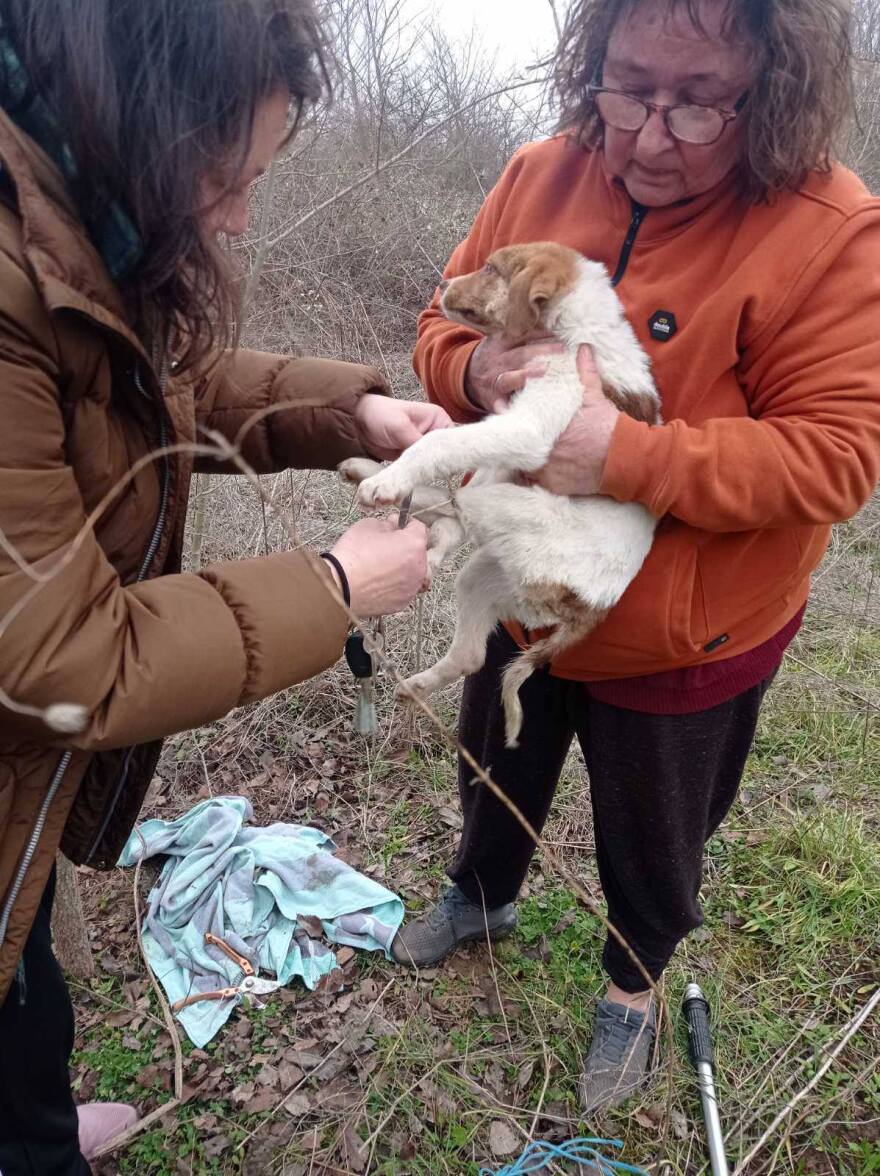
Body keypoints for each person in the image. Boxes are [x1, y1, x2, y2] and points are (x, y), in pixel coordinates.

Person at [393, 0, 880, 1114]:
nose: (650, 134)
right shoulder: (539, 173)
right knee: (496, 759)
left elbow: (834, 458)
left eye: (699, 103)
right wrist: (476, 378)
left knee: (655, 832)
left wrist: (625, 453)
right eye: (626, 88)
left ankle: (634, 980)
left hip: (684, 631)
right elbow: (442, 320)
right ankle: (481, 892)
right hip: (523, 582)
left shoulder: (832, 229)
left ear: (770, 93)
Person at [0, 0, 452, 1170]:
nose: (242, 214)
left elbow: (138, 387)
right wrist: (337, 586)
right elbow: (64, 663)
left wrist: (343, 408)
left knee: (21, 955)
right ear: (139, 117)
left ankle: (34, 1126)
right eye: (224, 173)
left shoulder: (64, 215)